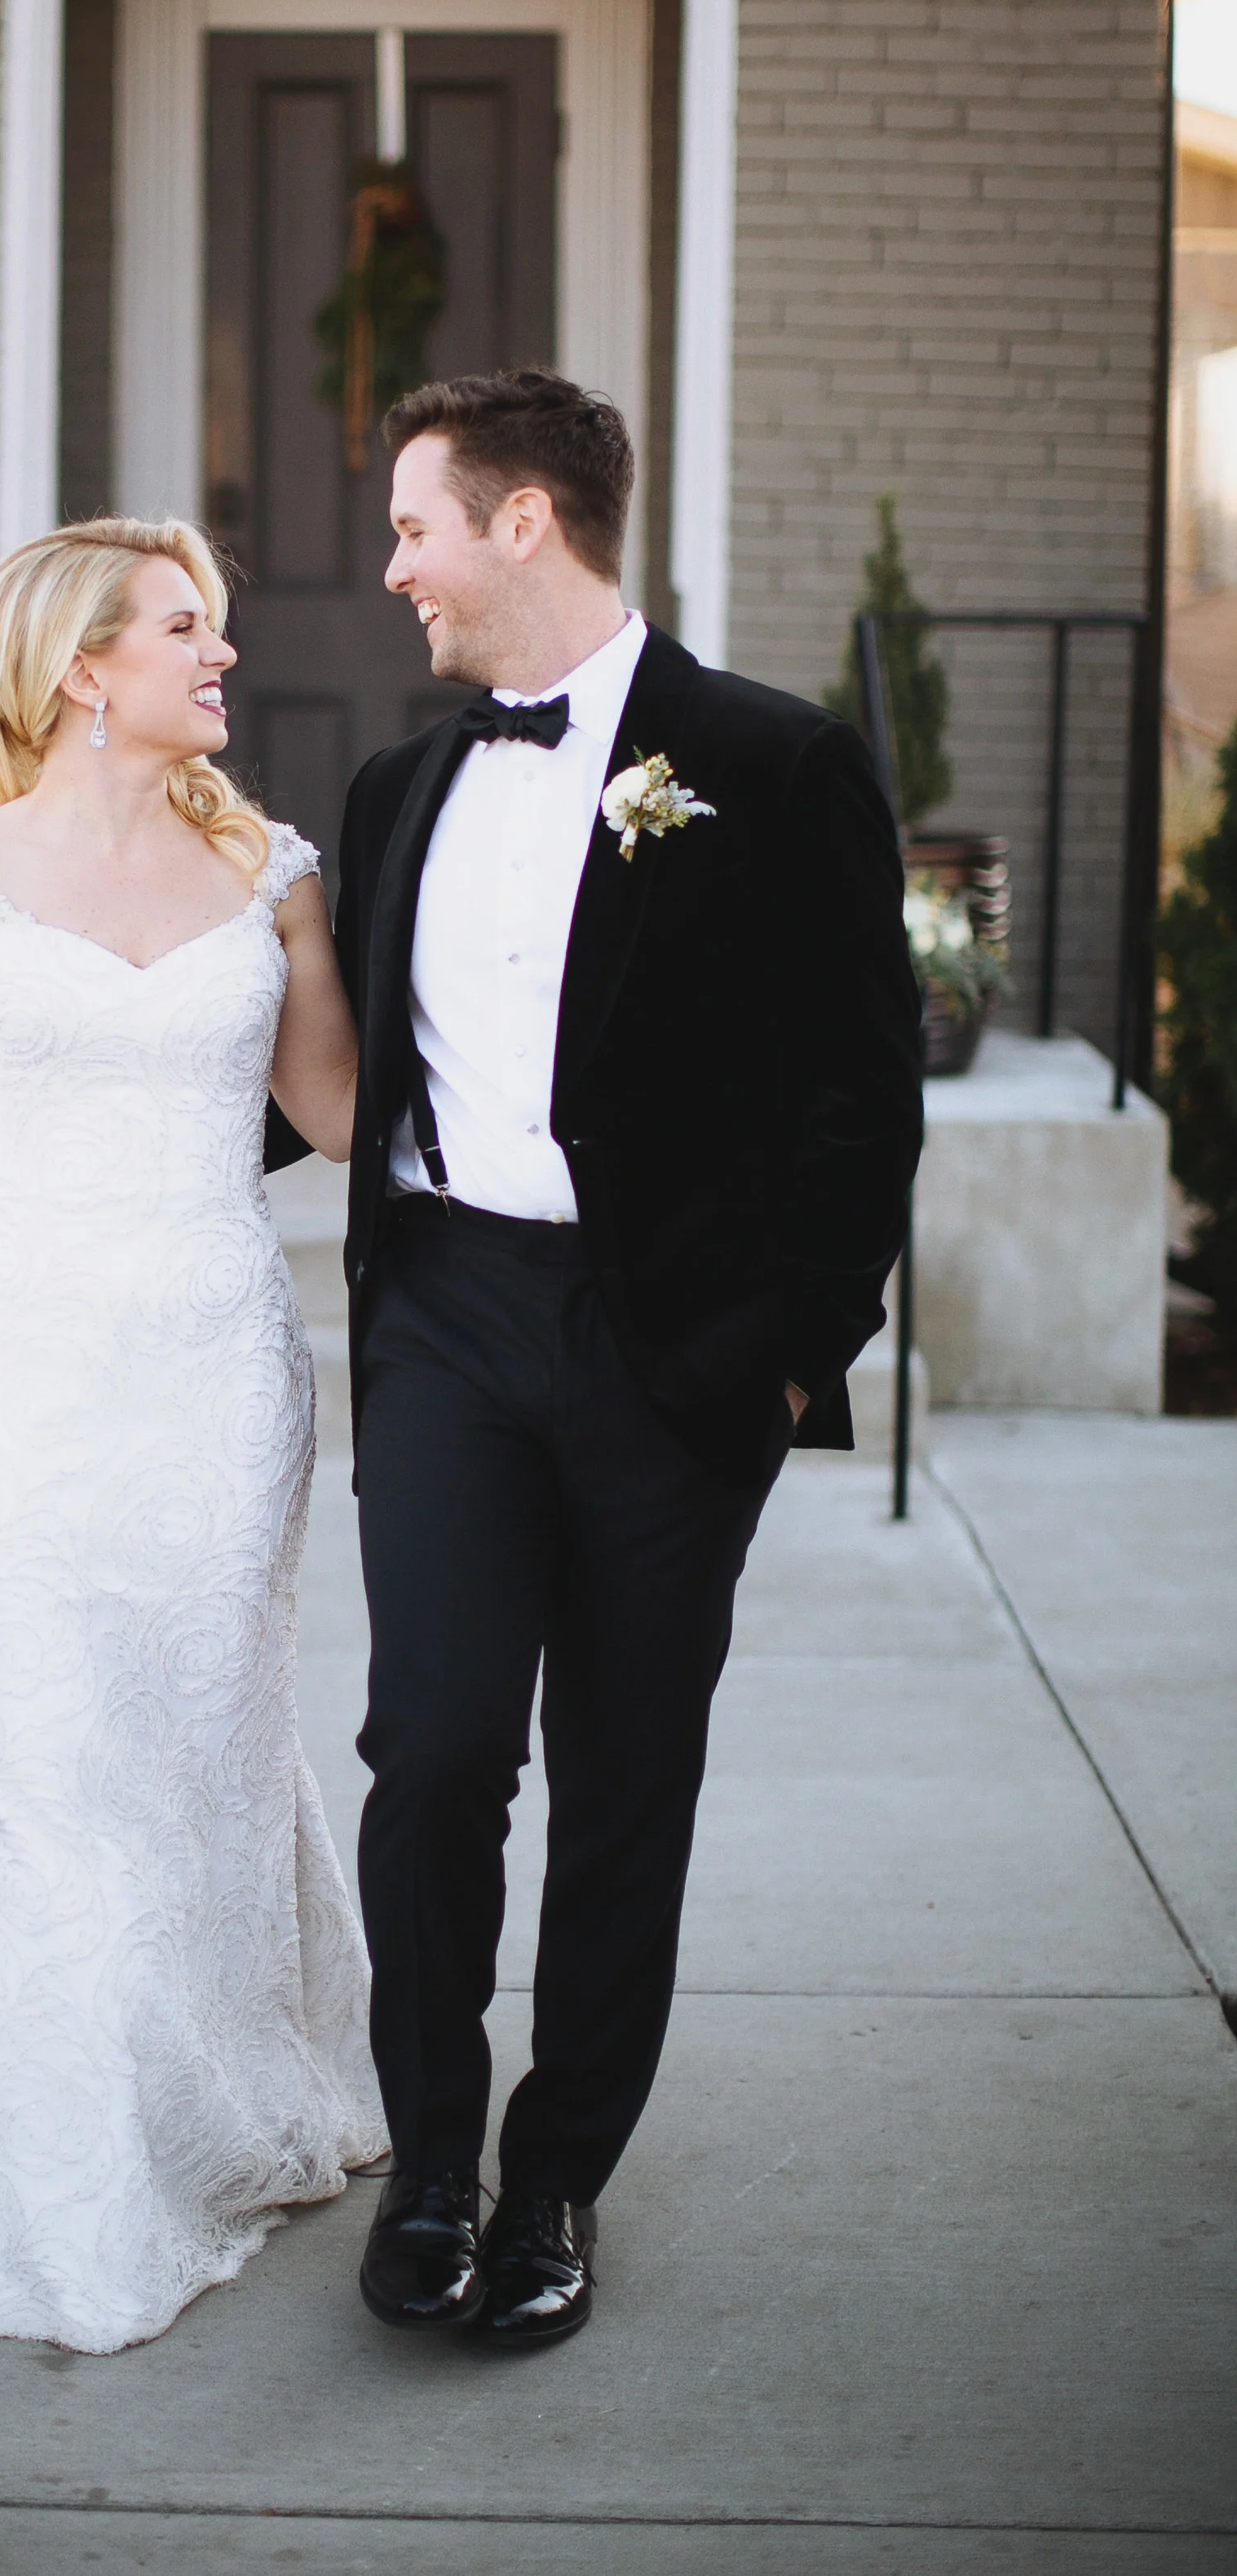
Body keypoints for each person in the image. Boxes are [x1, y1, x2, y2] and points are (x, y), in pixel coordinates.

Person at [317, 368, 923, 2348]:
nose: (391, 567)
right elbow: (323, 1081)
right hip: (443, 1320)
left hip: (671, 1352)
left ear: (521, 523)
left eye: (413, 526)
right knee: (431, 1755)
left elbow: (861, 1099)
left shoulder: (774, 760)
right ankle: (429, 2165)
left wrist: (777, 1369)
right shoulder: (395, 791)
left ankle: (556, 2173)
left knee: (623, 1775)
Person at [0, 516, 386, 2354]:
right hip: (16, 1366)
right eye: (183, 629)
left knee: (196, 1734)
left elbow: (346, 1112)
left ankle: (211, 2077)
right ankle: (53, 2182)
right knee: (39, 1748)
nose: (222, 656)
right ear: (78, 669)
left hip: (216, 1367)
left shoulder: (271, 870)